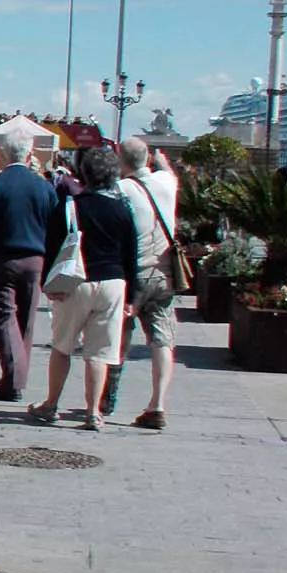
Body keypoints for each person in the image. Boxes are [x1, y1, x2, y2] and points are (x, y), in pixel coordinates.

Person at [27, 144, 138, 430]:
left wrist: (48, 284)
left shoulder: (70, 206)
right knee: (99, 351)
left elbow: (51, 247)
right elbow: (131, 254)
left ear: (83, 174)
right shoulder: (122, 209)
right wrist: (132, 296)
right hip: (113, 283)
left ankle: (51, 404)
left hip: (76, 281)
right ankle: (93, 412)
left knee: (62, 346)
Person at [0, 127, 58, 402]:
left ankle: (13, 378)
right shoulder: (44, 187)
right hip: (36, 259)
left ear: (2, 153)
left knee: (4, 316)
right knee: (27, 320)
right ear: (30, 153)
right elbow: (55, 228)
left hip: (2, 259)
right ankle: (16, 375)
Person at [102, 137, 179, 430]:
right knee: (161, 338)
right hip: (164, 273)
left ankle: (107, 399)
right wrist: (159, 160)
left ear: (121, 160)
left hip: (132, 274)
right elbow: (168, 170)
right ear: (147, 159)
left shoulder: (122, 190)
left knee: (119, 336)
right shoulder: (168, 182)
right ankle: (157, 404)